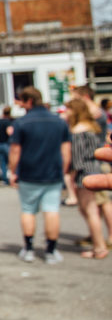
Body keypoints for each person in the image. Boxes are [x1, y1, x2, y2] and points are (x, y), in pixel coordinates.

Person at [8, 86, 72, 264]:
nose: (21, 106)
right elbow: (66, 150)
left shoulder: (21, 123)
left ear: (29, 101)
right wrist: (64, 170)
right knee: (52, 211)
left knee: (28, 210)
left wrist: (12, 172)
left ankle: (28, 249)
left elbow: (15, 151)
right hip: (53, 173)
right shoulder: (59, 122)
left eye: (22, 102)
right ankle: (51, 251)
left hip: (29, 173)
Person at [65, 99, 109, 259]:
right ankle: (99, 245)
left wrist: (71, 178)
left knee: (89, 211)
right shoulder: (92, 126)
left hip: (84, 174)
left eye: (68, 109)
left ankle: (99, 247)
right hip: (96, 168)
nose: (66, 112)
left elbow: (76, 160)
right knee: (94, 210)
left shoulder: (77, 131)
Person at [0, 106, 14, 185]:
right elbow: (10, 132)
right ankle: (13, 177)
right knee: (11, 161)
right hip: (6, 144)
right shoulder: (7, 122)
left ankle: (4, 179)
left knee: (2, 162)